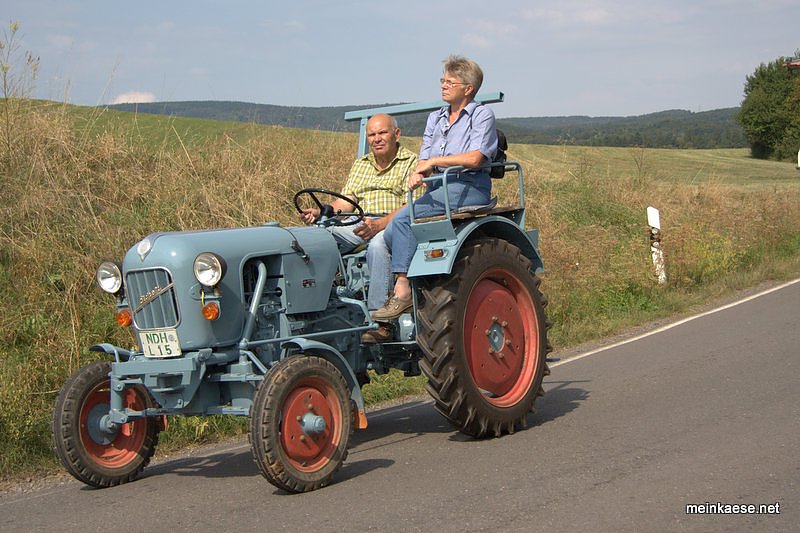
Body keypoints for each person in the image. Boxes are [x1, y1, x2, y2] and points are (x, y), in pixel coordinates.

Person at [373, 55, 498, 322]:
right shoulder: (436, 118)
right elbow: (425, 157)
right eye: (442, 80)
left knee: (407, 218)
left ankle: (404, 291)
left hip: (469, 186)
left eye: (450, 82)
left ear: (468, 89)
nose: (443, 85)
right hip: (438, 187)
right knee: (390, 231)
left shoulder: (481, 114)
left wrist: (435, 162)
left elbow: (476, 158)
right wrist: (419, 171)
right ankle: (386, 301)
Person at [298, 113, 416, 341]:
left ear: (396, 134)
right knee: (318, 239)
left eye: (382, 133)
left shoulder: (411, 162)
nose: (377, 139)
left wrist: (380, 224)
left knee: (377, 246)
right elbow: (347, 201)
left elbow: (411, 206)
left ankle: (380, 321)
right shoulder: (362, 164)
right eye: (372, 134)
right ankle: (316, 308)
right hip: (361, 222)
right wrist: (324, 211)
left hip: (395, 224)